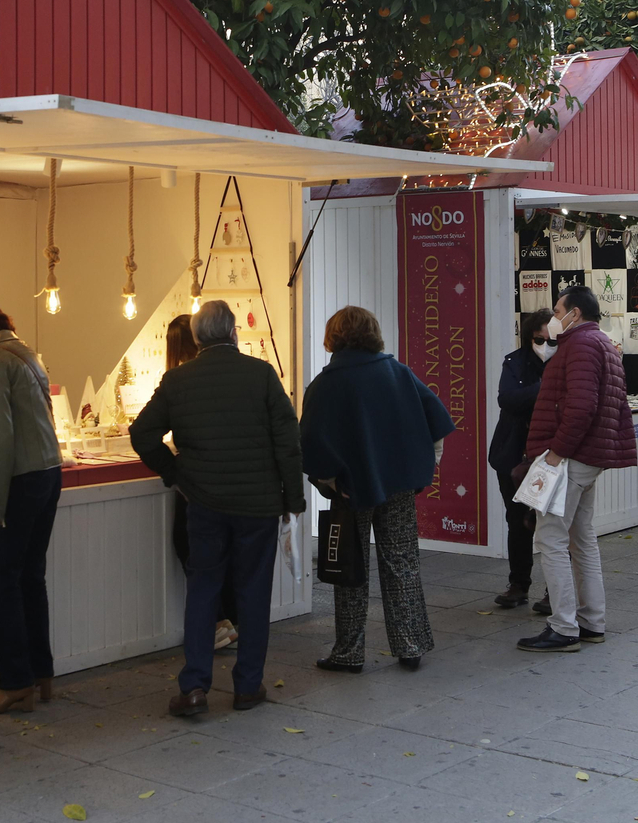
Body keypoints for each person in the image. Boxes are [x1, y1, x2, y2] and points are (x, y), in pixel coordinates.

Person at [129, 300, 305, 716]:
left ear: (196, 338)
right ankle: (246, 687)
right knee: (253, 592)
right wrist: (293, 501)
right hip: (258, 504)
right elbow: (288, 442)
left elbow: (142, 434)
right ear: (233, 334)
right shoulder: (261, 375)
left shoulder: (177, 381)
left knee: (203, 590)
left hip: (204, 504)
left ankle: (194, 687)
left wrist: (177, 475)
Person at [301, 306, 455, 673]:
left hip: (350, 491)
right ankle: (410, 644)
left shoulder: (325, 384)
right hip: (398, 485)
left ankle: (349, 653)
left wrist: (331, 482)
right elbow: (437, 419)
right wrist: (425, 466)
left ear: (333, 337)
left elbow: (309, 443)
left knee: (350, 570)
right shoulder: (397, 372)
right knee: (401, 563)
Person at [514, 286, 636, 653]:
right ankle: (591, 621)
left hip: (571, 458)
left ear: (575, 313)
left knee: (551, 538)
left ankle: (564, 626)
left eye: (557, 310)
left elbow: (581, 408)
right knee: (581, 540)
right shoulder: (601, 344)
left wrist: (556, 453)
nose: (553, 318)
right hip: (587, 458)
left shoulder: (581, 346)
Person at [0, 300, 63, 717]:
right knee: (31, 578)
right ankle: (43, 674)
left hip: (19, 479)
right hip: (48, 473)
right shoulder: (25, 353)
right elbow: (12, 414)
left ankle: (15, 683)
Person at [165, 314, 240, 652]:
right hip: (234, 479)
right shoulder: (244, 373)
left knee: (192, 548)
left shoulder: (180, 380)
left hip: (197, 481)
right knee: (225, 551)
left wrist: (171, 468)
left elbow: (144, 432)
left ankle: (218, 624)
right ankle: (231, 622)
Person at [486, 308, 555, 612]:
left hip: (550, 454)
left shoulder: (566, 361)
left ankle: (557, 589)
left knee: (552, 523)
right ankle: (519, 584)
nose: (543, 344)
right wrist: (543, 389)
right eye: (538, 338)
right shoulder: (515, 361)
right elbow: (507, 399)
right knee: (517, 521)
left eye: (548, 339)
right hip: (513, 453)